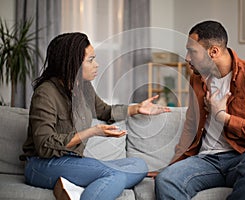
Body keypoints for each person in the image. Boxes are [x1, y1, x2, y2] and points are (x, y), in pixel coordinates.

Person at [19, 32, 170, 200]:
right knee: (116, 175)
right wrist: (92, 131)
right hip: (42, 165)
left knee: (139, 165)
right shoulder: (45, 93)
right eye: (90, 60)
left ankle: (76, 191)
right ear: (72, 63)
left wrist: (137, 108)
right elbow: (45, 146)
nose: (97, 65)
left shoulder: (84, 87)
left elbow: (104, 111)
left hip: (72, 161)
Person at [154, 20, 245, 200]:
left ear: (213, 52)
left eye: (192, 51)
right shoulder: (197, 79)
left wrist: (224, 118)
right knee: (166, 180)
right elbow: (191, 124)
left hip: (244, 157)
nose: (187, 57)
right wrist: (173, 165)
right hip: (207, 162)